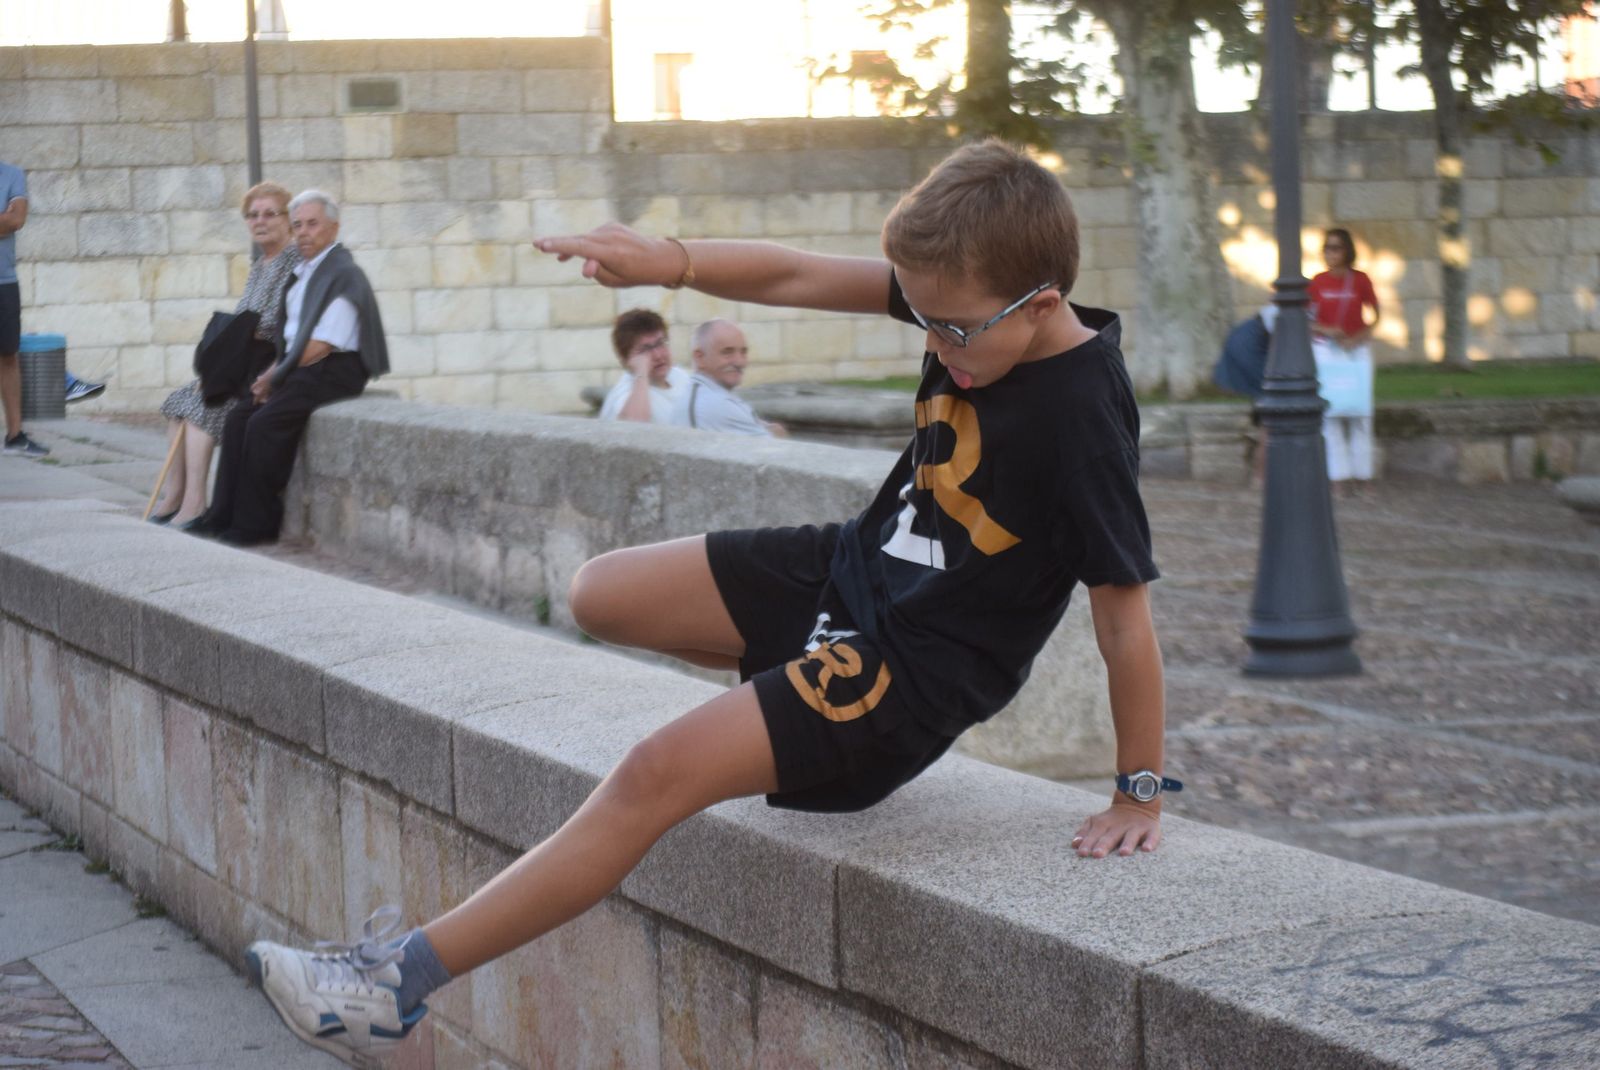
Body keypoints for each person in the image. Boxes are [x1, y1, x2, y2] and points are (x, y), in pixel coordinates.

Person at [245, 141, 1176, 1064]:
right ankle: (781, 702)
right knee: (602, 592)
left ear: (1041, 303)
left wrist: (1138, 792)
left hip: (907, 671)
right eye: (922, 319)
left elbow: (1124, 620)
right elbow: (797, 273)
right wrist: (668, 261)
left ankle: (390, 988)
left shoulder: (1083, 413)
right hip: (853, 570)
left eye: (952, 331)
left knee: (655, 772)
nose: (934, 346)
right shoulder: (971, 288)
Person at [195, 190, 388, 546]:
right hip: (300, 367)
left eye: (312, 224)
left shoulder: (344, 274)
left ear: (334, 227)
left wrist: (275, 376)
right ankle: (222, 515)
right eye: (297, 225)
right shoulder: (303, 273)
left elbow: (321, 345)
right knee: (238, 419)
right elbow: (291, 340)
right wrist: (274, 373)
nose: (303, 233)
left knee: (264, 425)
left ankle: (255, 524)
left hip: (333, 370)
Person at [150, 181, 300, 527]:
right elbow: (245, 322)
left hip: (269, 365)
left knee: (206, 405)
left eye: (269, 214)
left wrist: (238, 337)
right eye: (253, 215)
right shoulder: (260, 264)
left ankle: (195, 504)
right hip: (244, 361)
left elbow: (268, 325)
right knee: (179, 403)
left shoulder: (292, 262)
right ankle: (174, 495)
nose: (260, 221)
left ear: (287, 220)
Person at [1308, 227, 1379, 487]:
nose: (1330, 253)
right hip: (1327, 350)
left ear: (1347, 251)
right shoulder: (1317, 282)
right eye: (1327, 248)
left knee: (1361, 412)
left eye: (1336, 248)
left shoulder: (1360, 280)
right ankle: (1338, 477)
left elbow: (1376, 314)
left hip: (1356, 350)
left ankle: (1363, 475)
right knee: (1332, 413)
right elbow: (1307, 320)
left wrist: (1360, 336)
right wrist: (1327, 330)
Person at [0, 159, 47, 457]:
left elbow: (16, 220)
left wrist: (9, 219)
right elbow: (6, 221)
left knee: (8, 355)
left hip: (4, 281)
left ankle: (15, 436)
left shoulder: (12, 175)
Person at [673, 318, 786, 436]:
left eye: (743, 352)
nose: (739, 362)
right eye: (727, 352)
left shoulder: (699, 394)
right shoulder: (717, 404)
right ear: (700, 358)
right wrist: (775, 431)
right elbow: (777, 444)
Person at [597, 307, 689, 423]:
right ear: (626, 359)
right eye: (645, 349)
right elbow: (633, 426)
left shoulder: (679, 376)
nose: (658, 355)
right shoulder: (625, 393)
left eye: (660, 343)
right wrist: (641, 372)